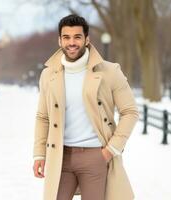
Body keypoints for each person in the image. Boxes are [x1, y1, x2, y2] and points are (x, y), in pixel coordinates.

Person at [33, 14, 139, 200]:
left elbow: (130, 112)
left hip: (95, 156)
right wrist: (39, 154)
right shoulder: (48, 74)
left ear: (87, 39)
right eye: (66, 37)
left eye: (77, 37)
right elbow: (43, 116)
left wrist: (111, 150)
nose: (71, 42)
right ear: (59, 40)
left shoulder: (109, 71)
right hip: (60, 156)